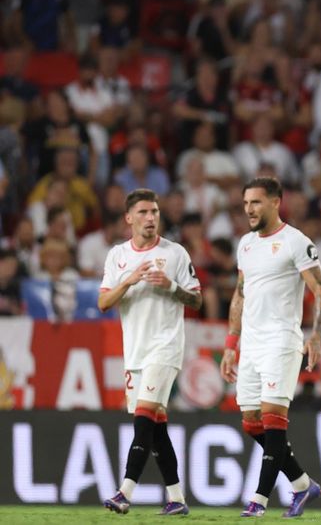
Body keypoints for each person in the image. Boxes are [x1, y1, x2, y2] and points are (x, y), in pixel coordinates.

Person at [219, 177, 321, 517]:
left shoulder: (296, 242)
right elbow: (240, 293)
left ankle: (259, 500)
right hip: (250, 344)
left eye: (256, 202)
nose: (249, 209)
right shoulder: (246, 245)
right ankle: (301, 484)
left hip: (281, 341)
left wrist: (316, 335)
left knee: (272, 420)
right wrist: (230, 344)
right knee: (252, 423)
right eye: (246, 203)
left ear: (275, 202)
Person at [98, 189, 202, 516]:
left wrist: (171, 286)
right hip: (135, 353)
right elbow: (103, 303)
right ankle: (177, 498)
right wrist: (128, 281)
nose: (151, 218)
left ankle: (125, 491)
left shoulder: (175, 254)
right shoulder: (117, 256)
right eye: (143, 212)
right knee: (156, 429)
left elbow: (196, 299)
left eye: (155, 212)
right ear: (128, 218)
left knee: (143, 420)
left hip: (165, 347)